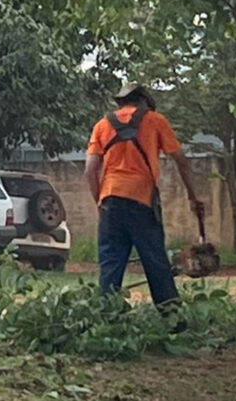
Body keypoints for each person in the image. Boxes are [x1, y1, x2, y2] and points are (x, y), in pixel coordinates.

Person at [85, 83, 204, 307]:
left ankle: (106, 320)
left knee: (111, 263)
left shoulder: (102, 126)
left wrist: (99, 202)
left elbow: (89, 170)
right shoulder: (155, 120)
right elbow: (181, 160)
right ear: (143, 101)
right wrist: (192, 196)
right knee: (155, 261)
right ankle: (172, 319)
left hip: (110, 201)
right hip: (141, 201)